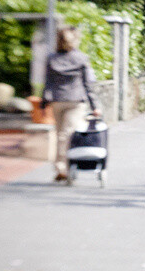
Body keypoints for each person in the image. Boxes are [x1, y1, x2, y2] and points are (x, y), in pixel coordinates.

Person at [42, 25, 100, 183]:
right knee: (68, 135)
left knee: (60, 135)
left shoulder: (52, 58)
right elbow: (88, 85)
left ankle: (61, 168)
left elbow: (47, 82)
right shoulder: (81, 58)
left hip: (57, 101)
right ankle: (67, 169)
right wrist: (95, 107)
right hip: (75, 101)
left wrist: (43, 102)